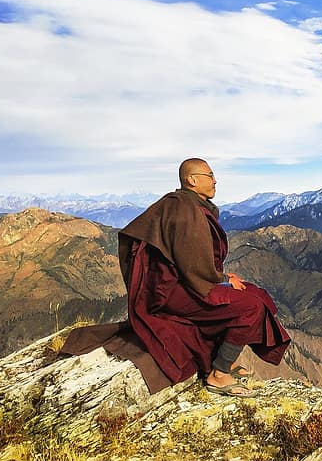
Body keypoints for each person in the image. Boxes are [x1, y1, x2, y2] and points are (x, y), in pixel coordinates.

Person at [115, 158, 291, 397]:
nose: (215, 180)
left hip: (178, 284)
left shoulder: (182, 204)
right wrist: (224, 281)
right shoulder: (187, 211)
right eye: (210, 175)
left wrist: (224, 278)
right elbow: (193, 267)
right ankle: (219, 374)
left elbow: (188, 260)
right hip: (175, 292)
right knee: (250, 306)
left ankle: (220, 361)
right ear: (192, 180)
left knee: (254, 293)